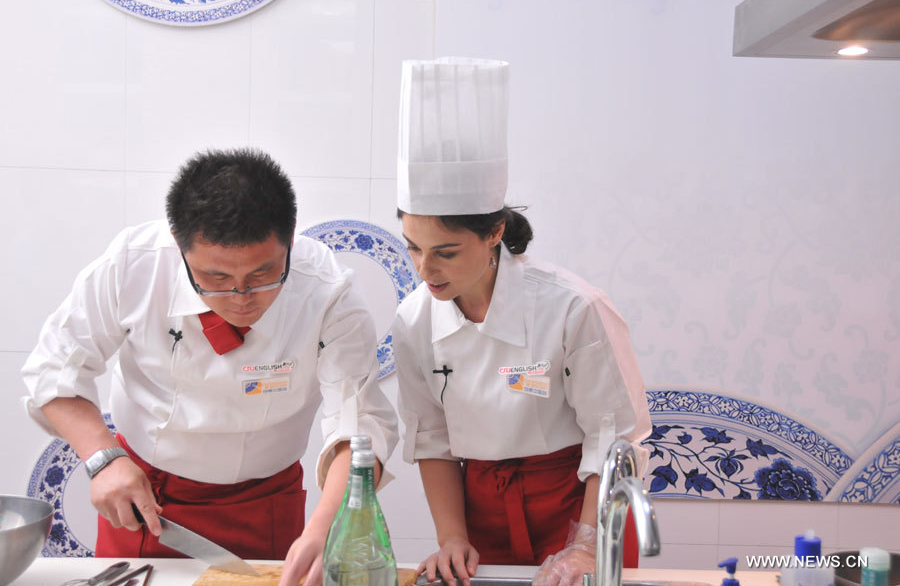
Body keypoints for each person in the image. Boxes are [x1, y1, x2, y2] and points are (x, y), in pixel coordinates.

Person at [21, 148, 398, 586]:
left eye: (263, 274)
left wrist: (328, 529)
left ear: (290, 238)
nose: (241, 297)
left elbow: (359, 422)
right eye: (216, 279)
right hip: (147, 501)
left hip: (268, 503)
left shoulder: (327, 290)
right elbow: (53, 370)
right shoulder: (134, 265)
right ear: (179, 246)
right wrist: (104, 460)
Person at [391, 58, 652, 586]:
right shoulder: (415, 320)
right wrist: (452, 539)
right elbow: (434, 440)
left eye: (444, 251)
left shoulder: (572, 307)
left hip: (578, 508)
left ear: (494, 234)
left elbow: (615, 438)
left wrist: (585, 548)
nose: (425, 270)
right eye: (413, 248)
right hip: (478, 512)